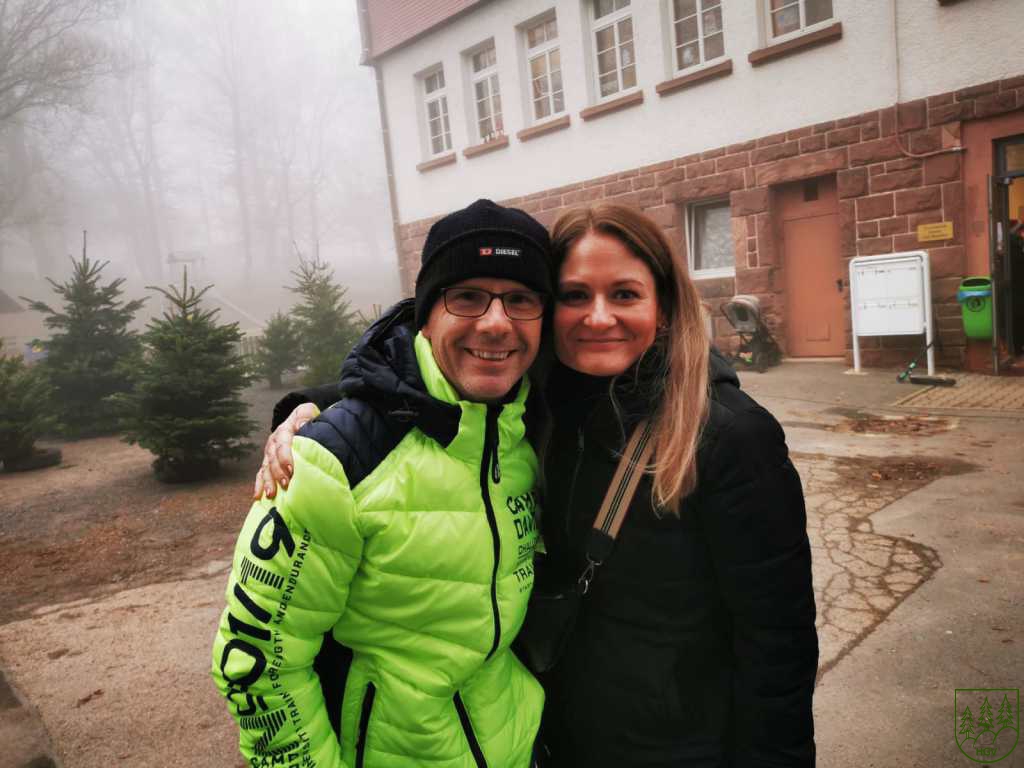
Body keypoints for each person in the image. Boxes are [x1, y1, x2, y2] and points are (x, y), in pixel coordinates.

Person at [262, 203, 819, 767]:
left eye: (625, 294)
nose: (598, 317)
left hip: (679, 750)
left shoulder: (729, 436)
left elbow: (779, 644)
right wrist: (315, 413)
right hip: (549, 738)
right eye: (575, 295)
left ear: (665, 306)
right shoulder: (540, 403)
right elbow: (421, 389)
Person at [212, 199, 553, 767]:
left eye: (520, 299)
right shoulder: (331, 463)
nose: (497, 322)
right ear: (425, 315)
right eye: (467, 296)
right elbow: (257, 661)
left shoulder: (528, 428)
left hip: (517, 740)